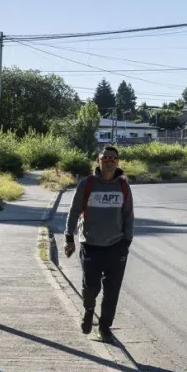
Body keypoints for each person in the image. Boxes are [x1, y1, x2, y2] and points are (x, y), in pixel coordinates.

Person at [64, 146, 134, 341]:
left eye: (113, 159)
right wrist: (69, 236)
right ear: (98, 161)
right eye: (106, 158)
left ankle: (104, 327)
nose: (109, 161)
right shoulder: (87, 184)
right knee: (91, 287)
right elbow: (74, 211)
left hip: (116, 246)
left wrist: (126, 241)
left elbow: (128, 215)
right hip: (91, 245)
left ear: (117, 162)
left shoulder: (123, 186)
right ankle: (88, 310)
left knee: (112, 291)